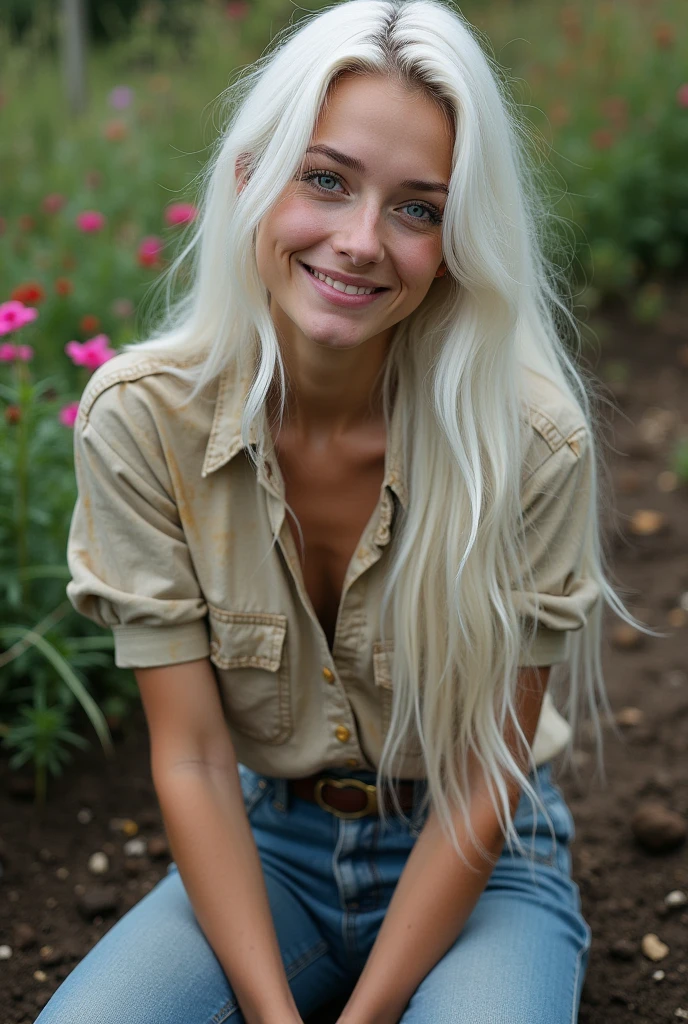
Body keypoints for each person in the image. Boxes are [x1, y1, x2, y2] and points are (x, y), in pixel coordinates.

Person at [38, 1, 648, 1021]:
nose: (361, 241)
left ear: (456, 244)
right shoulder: (142, 421)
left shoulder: (530, 443)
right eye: (325, 180)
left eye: (417, 208)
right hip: (268, 845)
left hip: (480, 858)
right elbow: (188, 755)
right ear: (248, 183)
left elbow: (483, 775)